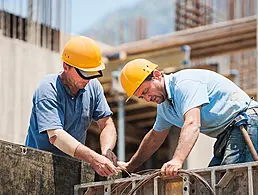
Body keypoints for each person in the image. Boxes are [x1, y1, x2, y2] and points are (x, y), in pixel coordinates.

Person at [118, 58, 258, 177]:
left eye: (147, 91)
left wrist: (177, 160)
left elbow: (192, 123)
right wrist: (130, 166)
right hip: (227, 133)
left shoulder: (184, 84)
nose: (148, 99)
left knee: (232, 181)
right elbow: (154, 138)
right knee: (213, 181)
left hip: (246, 121)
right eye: (142, 97)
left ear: (157, 75)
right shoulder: (165, 108)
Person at [25, 36, 118, 177]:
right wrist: (93, 158)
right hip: (37, 168)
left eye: (92, 73)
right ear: (65, 67)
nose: (88, 79)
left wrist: (107, 151)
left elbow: (106, 124)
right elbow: (56, 136)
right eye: (84, 73)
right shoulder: (48, 89)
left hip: (71, 169)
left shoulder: (93, 86)